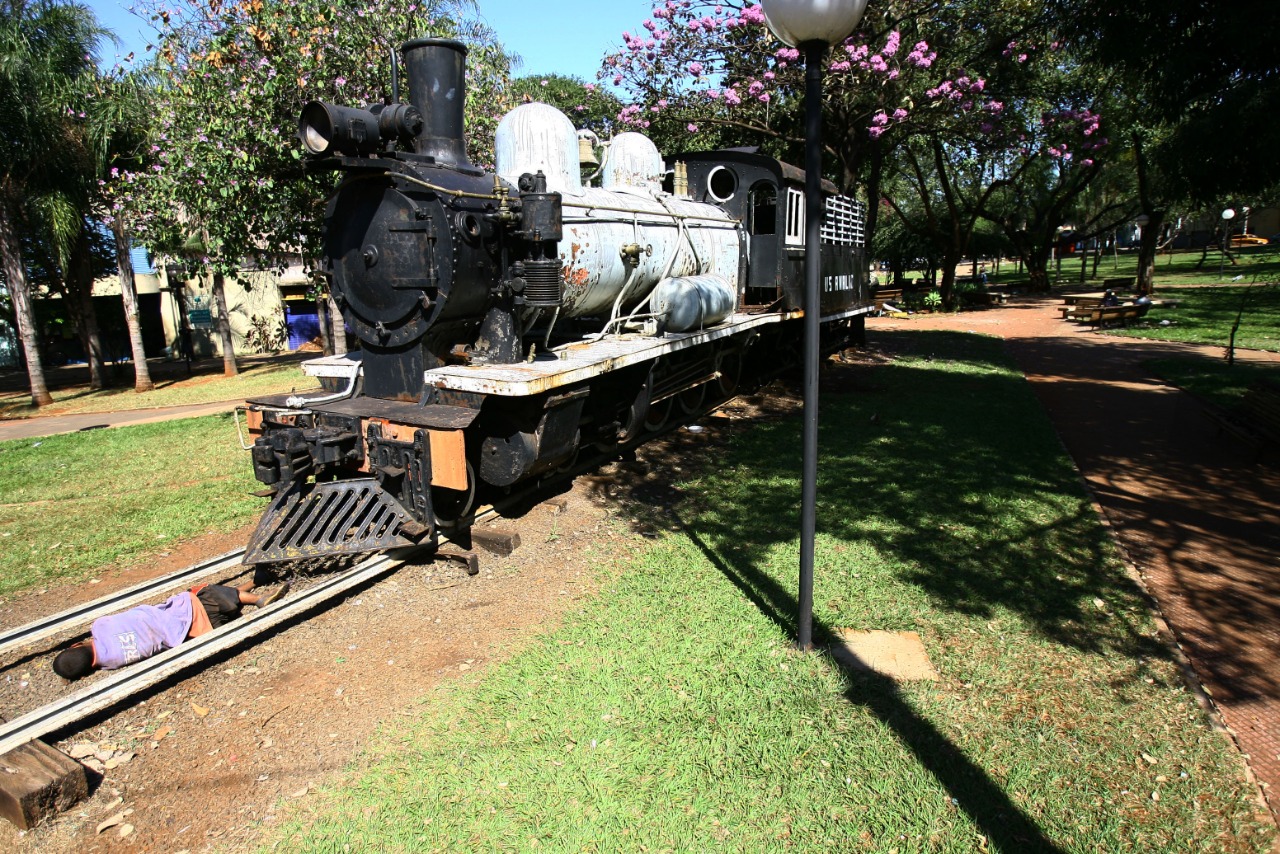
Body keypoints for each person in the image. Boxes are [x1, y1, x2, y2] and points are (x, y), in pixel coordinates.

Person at [52, 581, 288, 681]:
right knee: (204, 590)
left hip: (200, 632)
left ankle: (253, 583)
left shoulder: (110, 663)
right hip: (193, 612)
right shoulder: (99, 627)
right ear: (75, 645)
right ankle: (258, 598)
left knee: (224, 596)